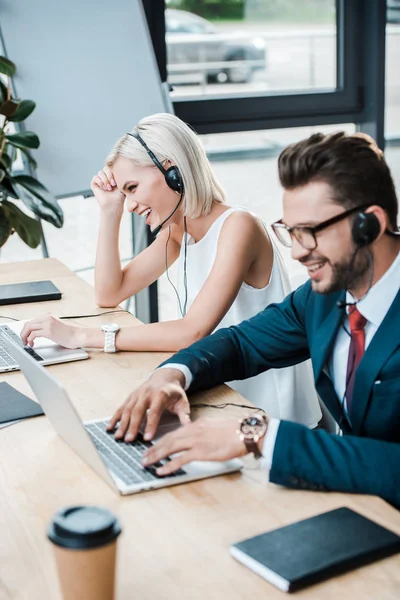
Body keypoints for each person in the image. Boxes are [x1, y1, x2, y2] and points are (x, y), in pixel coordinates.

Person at [111, 131, 400, 509]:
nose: (297, 252)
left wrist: (256, 435)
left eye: (310, 232)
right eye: (291, 232)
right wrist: (170, 376)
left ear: (371, 224)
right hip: (355, 501)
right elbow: (241, 343)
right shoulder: (324, 298)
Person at [21, 113, 320, 427]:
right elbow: (109, 293)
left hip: (271, 416)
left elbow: (193, 331)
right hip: (221, 400)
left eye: (133, 188)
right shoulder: (178, 232)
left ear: (172, 170)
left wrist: (81, 335)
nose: (131, 204)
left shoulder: (238, 226)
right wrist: (110, 211)